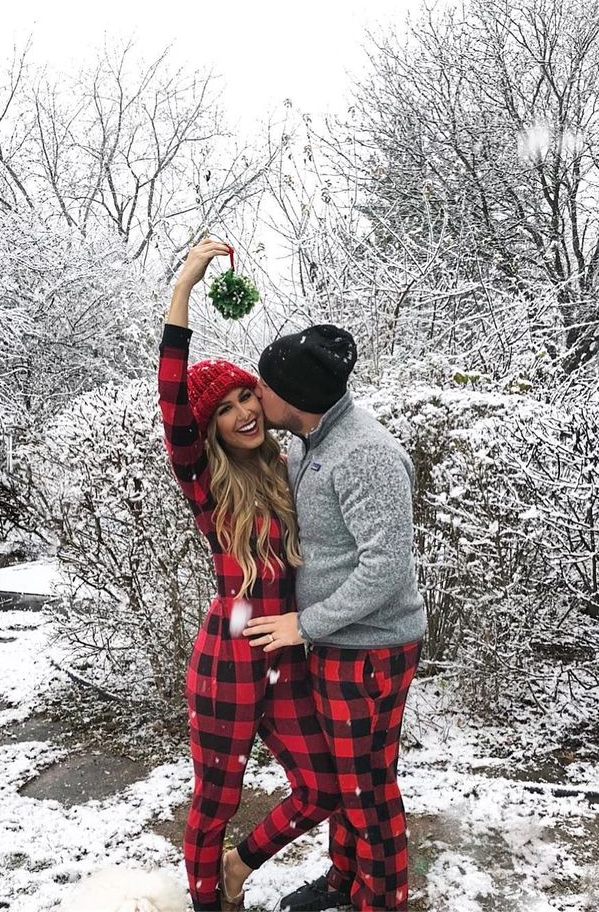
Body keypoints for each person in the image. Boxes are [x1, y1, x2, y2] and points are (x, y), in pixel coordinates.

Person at [157, 240, 340, 912]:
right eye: (227, 407)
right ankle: (209, 901)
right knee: (216, 798)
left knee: (321, 786)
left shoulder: (289, 470)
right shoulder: (204, 482)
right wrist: (184, 289)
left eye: (246, 396)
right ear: (209, 428)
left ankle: (238, 867)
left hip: (284, 653)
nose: (244, 412)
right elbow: (173, 399)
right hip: (228, 658)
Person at [242, 324, 426, 912]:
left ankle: (380, 902)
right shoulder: (309, 441)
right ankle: (343, 882)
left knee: (367, 788)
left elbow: (387, 567)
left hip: (367, 648)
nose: (254, 395)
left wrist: (306, 624)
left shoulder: (365, 454)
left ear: (292, 397)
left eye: (262, 386)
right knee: (349, 778)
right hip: (337, 644)